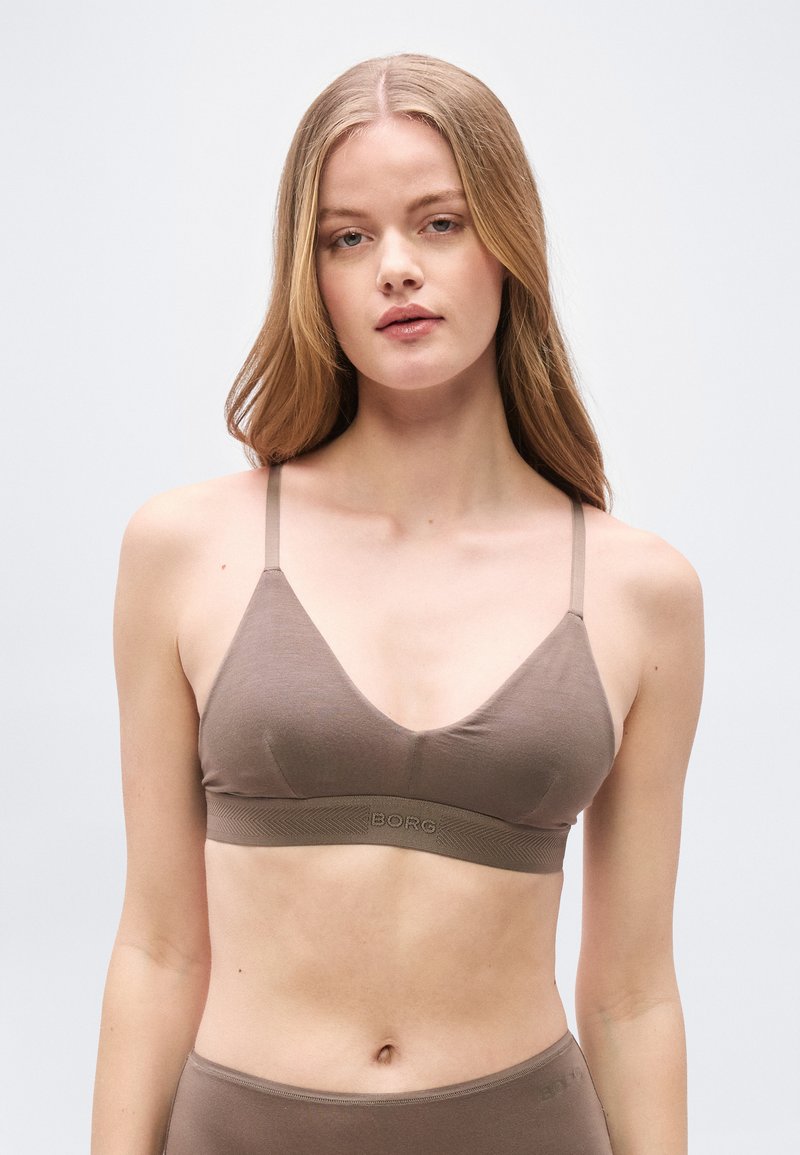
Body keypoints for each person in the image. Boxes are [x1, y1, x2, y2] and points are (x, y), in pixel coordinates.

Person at [91, 53, 704, 1155]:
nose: (396, 269)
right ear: (310, 271)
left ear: (508, 243)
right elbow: (158, 947)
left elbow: (631, 995)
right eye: (348, 237)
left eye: (439, 223)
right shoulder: (186, 550)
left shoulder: (639, 591)